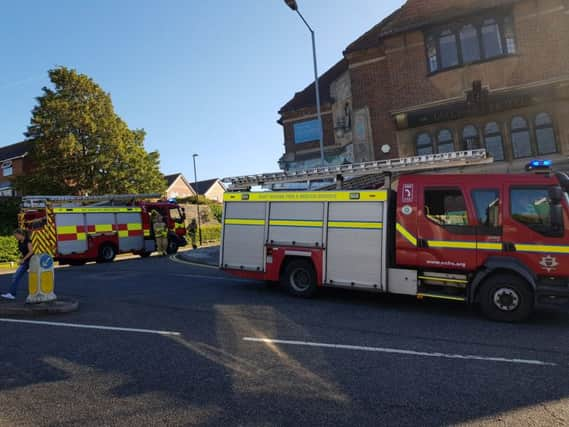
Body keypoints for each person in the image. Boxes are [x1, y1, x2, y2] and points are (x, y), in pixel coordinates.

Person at [1, 229, 34, 300]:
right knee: (16, 276)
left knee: (34, 277)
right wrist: (21, 259)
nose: (15, 237)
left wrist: (23, 259)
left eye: (16, 236)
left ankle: (37, 292)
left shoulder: (28, 241)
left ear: (20, 234)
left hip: (32, 261)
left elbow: (31, 252)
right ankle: (12, 294)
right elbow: (23, 252)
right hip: (25, 261)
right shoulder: (19, 242)